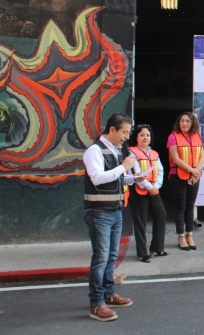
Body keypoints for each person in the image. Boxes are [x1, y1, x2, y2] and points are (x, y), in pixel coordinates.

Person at [83, 113, 142, 322]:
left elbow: (117, 178)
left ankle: (109, 294)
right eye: (124, 132)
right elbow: (98, 178)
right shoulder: (94, 151)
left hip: (115, 210)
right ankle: (96, 304)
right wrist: (123, 167)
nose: (127, 136)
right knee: (100, 258)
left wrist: (133, 178)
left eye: (128, 132)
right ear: (112, 130)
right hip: (99, 213)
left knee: (110, 257)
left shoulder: (116, 151)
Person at [128, 124, 168, 262]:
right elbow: (135, 172)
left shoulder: (154, 153)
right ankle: (142, 253)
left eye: (148, 135)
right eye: (142, 135)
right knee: (140, 222)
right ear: (136, 137)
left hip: (153, 190)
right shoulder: (131, 152)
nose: (145, 137)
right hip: (139, 190)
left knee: (161, 215)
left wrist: (155, 186)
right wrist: (147, 186)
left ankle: (157, 248)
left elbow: (160, 171)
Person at [167, 112, 204, 250]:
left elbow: (201, 157)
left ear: (192, 123)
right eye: (182, 121)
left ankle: (190, 235)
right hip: (178, 175)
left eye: (187, 121)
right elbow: (176, 159)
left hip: (194, 176)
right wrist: (192, 170)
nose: (184, 123)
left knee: (190, 206)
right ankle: (181, 237)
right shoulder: (173, 137)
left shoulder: (197, 136)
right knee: (180, 207)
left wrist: (196, 172)